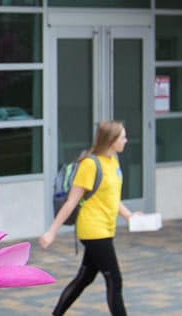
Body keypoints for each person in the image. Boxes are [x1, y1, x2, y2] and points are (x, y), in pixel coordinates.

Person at [41, 120, 133, 315]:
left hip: (106, 229)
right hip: (93, 230)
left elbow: (111, 197)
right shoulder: (90, 165)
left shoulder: (113, 161)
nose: (126, 140)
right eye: (122, 136)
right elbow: (71, 202)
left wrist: (129, 216)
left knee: (85, 278)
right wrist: (51, 232)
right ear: (111, 140)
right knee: (114, 279)